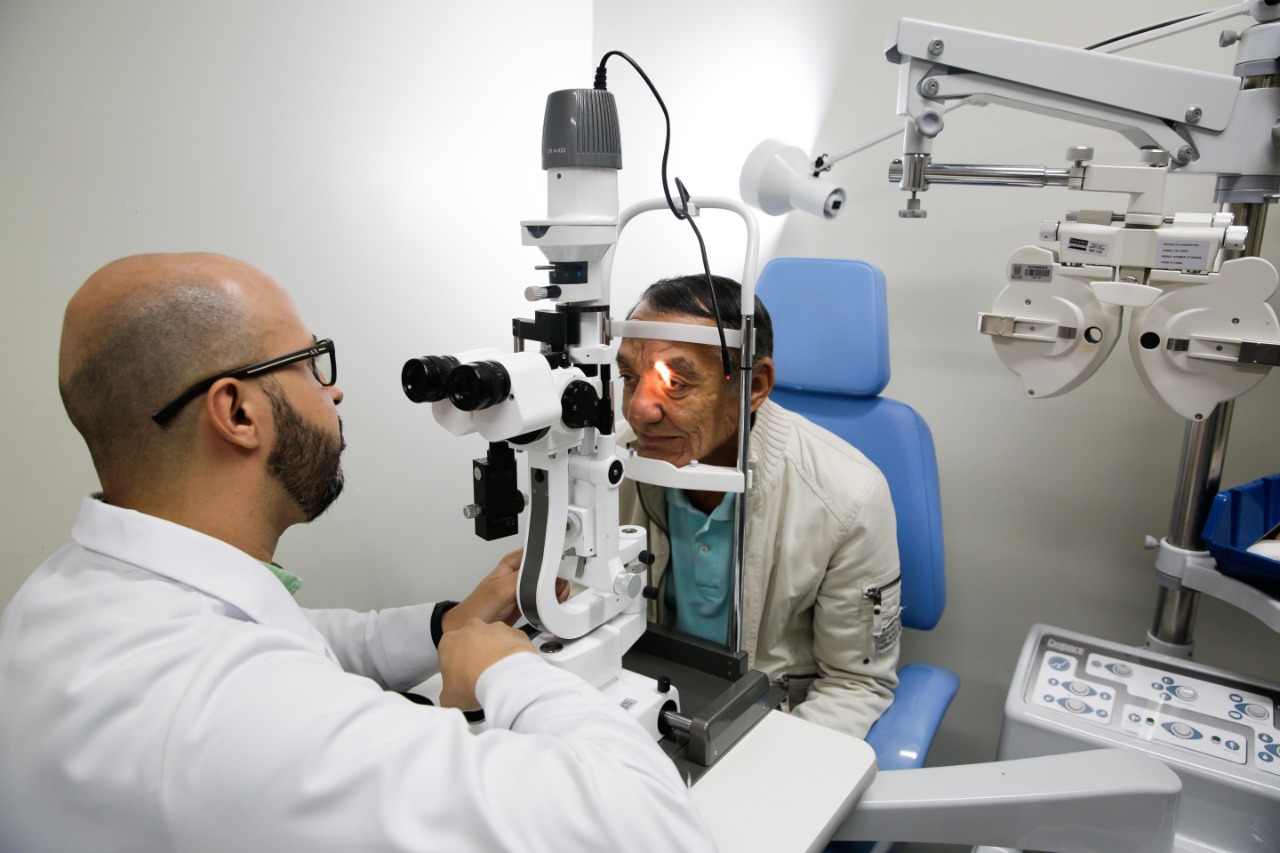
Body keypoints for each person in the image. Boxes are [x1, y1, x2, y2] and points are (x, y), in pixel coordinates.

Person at [0, 252, 715, 853]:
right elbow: (651, 826)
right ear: (238, 412)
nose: (334, 389)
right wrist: (511, 673)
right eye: (312, 364)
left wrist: (447, 624)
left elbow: (298, 635)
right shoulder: (238, 719)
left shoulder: (67, 595)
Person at [615, 274, 900, 739]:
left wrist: (769, 767)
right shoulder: (613, 468)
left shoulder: (847, 495)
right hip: (640, 705)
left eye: (674, 382)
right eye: (629, 378)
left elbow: (854, 683)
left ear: (755, 384)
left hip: (772, 723)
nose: (637, 410)